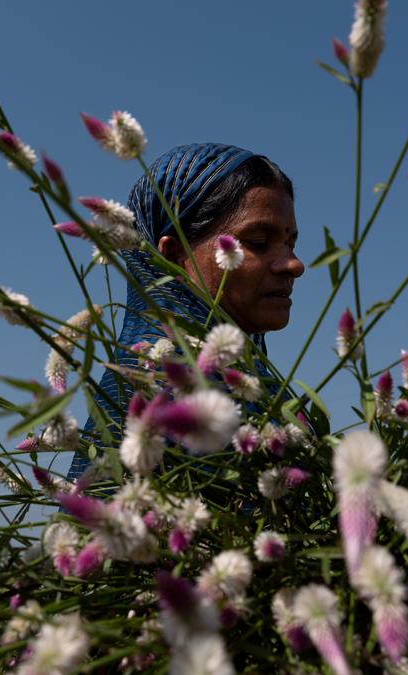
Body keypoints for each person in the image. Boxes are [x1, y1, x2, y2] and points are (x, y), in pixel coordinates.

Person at [67, 142, 305, 479]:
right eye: (258, 243)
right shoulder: (157, 388)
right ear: (173, 255)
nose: (294, 265)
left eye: (290, 243)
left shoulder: (244, 385)